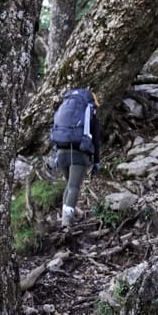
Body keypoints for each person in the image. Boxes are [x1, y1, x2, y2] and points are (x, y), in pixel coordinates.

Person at [50, 88, 101, 228]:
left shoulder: (65, 110)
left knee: (69, 185)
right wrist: (96, 162)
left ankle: (64, 217)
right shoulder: (91, 114)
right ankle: (66, 223)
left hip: (61, 153)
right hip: (79, 154)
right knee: (73, 186)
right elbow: (96, 141)